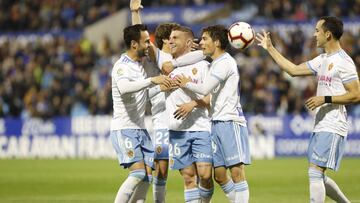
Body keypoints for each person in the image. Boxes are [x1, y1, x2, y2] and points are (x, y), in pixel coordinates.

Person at [256, 16, 360, 203]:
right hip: (321, 123)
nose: (314, 34)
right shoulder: (322, 59)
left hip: (334, 123)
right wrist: (270, 49)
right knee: (317, 175)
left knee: (314, 172)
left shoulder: (344, 62)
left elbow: (356, 94)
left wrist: (325, 98)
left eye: (317, 31)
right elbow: (294, 70)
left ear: (328, 34)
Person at [129, 1, 206, 202]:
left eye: (178, 38)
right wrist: (135, 12)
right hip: (163, 121)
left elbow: (205, 52)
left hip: (188, 123)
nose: (174, 41)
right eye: (172, 37)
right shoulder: (161, 57)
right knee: (161, 170)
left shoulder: (184, 59)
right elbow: (141, 35)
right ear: (165, 40)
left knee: (196, 173)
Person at [176, 25, 251, 203]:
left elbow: (203, 89)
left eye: (204, 39)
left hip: (230, 122)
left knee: (236, 173)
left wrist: (185, 82)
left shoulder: (225, 62)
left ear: (216, 42)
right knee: (218, 175)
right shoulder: (215, 63)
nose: (200, 42)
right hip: (216, 122)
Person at [109, 23, 171, 203]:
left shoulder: (139, 66)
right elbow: (124, 88)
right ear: (134, 44)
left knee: (146, 177)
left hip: (140, 129)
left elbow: (144, 92)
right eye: (146, 42)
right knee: (137, 173)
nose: (148, 45)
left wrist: (161, 86)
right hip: (124, 128)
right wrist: (152, 80)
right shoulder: (122, 66)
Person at [164, 25, 214, 203]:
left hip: (201, 127)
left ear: (188, 42)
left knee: (206, 175)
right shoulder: (167, 68)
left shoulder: (203, 66)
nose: (170, 41)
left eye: (175, 38)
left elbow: (210, 98)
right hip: (177, 130)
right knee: (188, 178)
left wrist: (192, 104)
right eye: (170, 38)